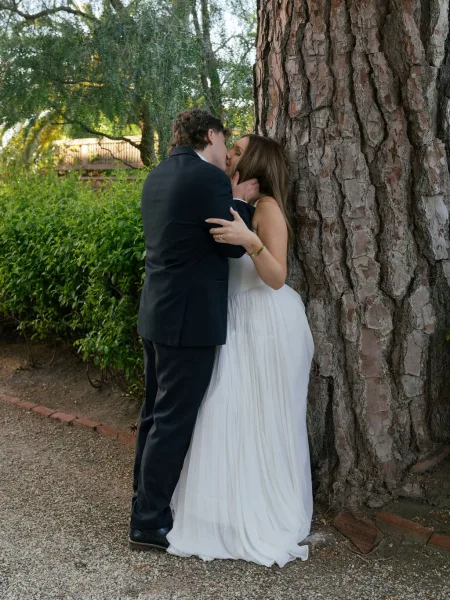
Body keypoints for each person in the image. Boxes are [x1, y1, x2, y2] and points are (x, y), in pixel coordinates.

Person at [166, 134, 315, 568]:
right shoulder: (229, 195)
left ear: (256, 160)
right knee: (224, 411)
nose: (230, 152)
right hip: (234, 318)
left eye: (238, 149)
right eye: (230, 147)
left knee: (260, 418)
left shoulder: (267, 207)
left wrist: (250, 240)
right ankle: (221, 511)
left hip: (265, 321)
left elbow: (276, 276)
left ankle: (261, 508)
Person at [129, 109, 259, 551]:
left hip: (156, 312)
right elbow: (231, 249)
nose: (228, 154)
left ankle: (144, 503)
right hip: (187, 320)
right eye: (225, 142)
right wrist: (239, 200)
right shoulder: (210, 179)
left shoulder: (159, 174)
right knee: (173, 420)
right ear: (210, 135)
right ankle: (148, 523)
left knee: (154, 415)